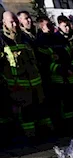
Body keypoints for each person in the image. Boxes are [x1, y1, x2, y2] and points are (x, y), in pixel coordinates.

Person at [1, 11, 47, 139]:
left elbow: (38, 56)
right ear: (4, 23)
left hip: (35, 81)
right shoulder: (2, 40)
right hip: (17, 84)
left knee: (40, 108)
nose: (15, 23)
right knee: (26, 112)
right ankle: (31, 137)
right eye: (11, 21)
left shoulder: (26, 38)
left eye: (16, 20)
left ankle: (45, 134)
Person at [36, 16, 73, 133]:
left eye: (51, 24)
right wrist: (61, 70)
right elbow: (44, 62)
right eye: (47, 25)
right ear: (41, 27)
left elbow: (72, 54)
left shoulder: (61, 39)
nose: (51, 26)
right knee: (63, 106)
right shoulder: (41, 42)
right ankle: (67, 128)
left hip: (72, 77)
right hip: (57, 80)